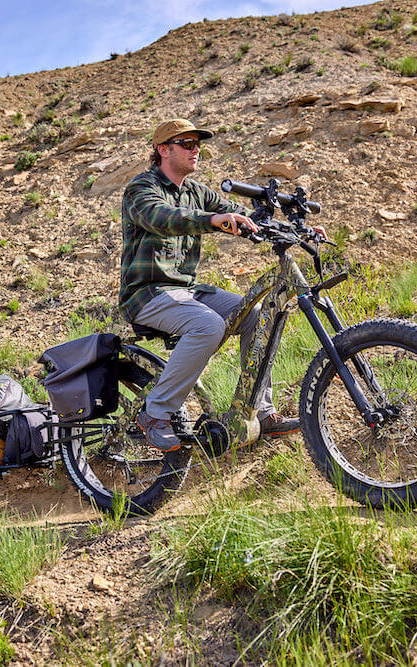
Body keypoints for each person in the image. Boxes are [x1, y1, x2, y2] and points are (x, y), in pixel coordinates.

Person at [119, 118, 300, 451]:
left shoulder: (196, 192)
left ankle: (261, 412)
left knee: (256, 315)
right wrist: (212, 220)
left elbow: (240, 213)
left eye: (197, 144)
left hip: (187, 290)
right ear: (163, 150)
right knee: (209, 325)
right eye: (187, 144)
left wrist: (295, 229)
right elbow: (161, 218)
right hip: (147, 294)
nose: (196, 150)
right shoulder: (141, 188)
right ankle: (155, 413)